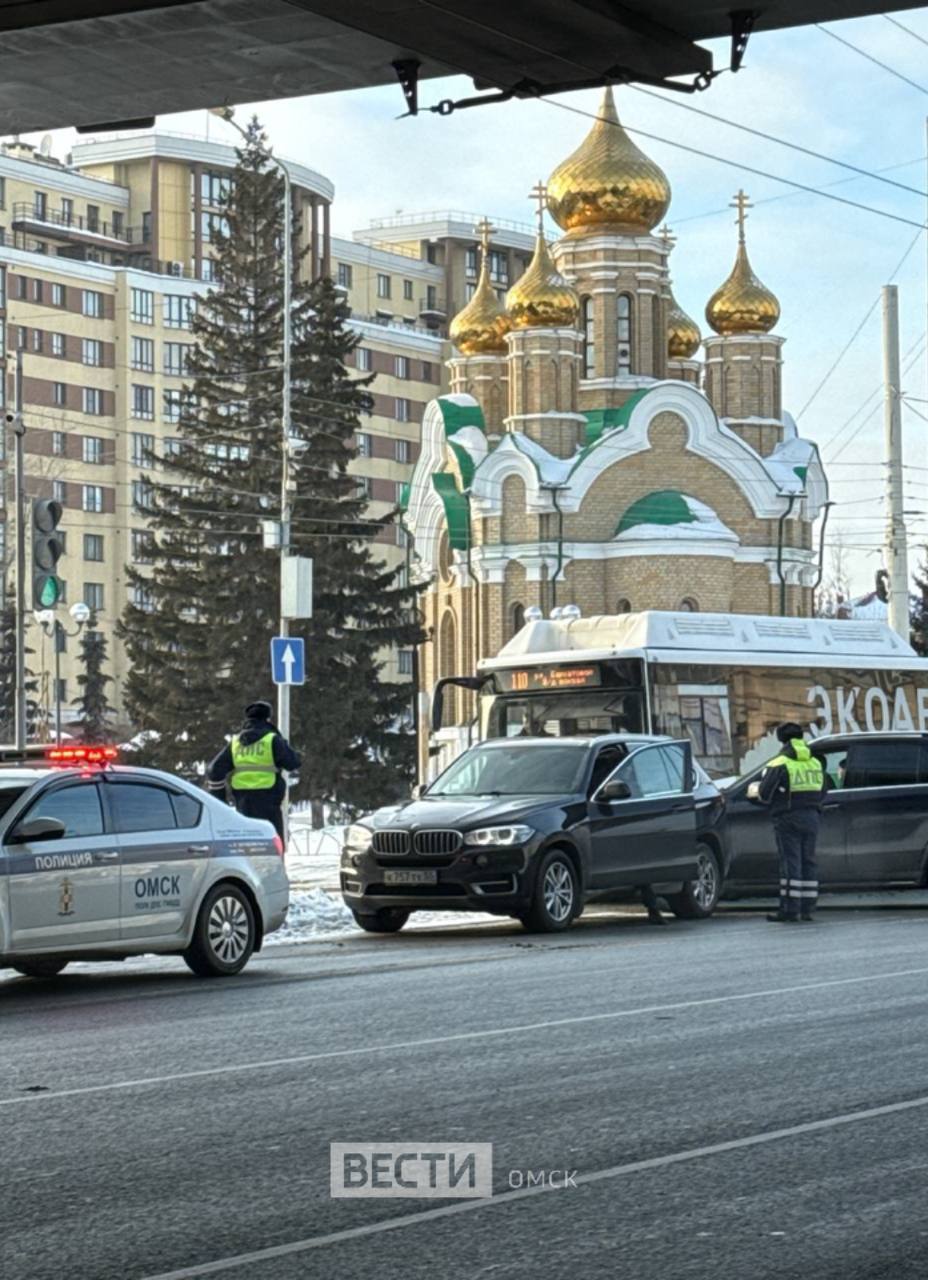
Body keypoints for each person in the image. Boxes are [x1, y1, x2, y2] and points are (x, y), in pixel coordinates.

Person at [754, 721, 826, 924]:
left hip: (787, 817)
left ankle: (789, 909)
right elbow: (823, 791)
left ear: (781, 739)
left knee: (791, 862)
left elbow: (764, 794)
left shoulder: (780, 763)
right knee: (809, 861)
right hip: (812, 816)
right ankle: (807, 908)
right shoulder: (815, 762)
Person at [207, 700, 301, 840]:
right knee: (272, 842)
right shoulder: (272, 739)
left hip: (243, 801)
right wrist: (284, 746)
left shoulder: (236, 742)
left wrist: (220, 799)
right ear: (268, 719)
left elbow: (214, 769)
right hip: (269, 798)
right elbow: (293, 763)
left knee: (247, 841)